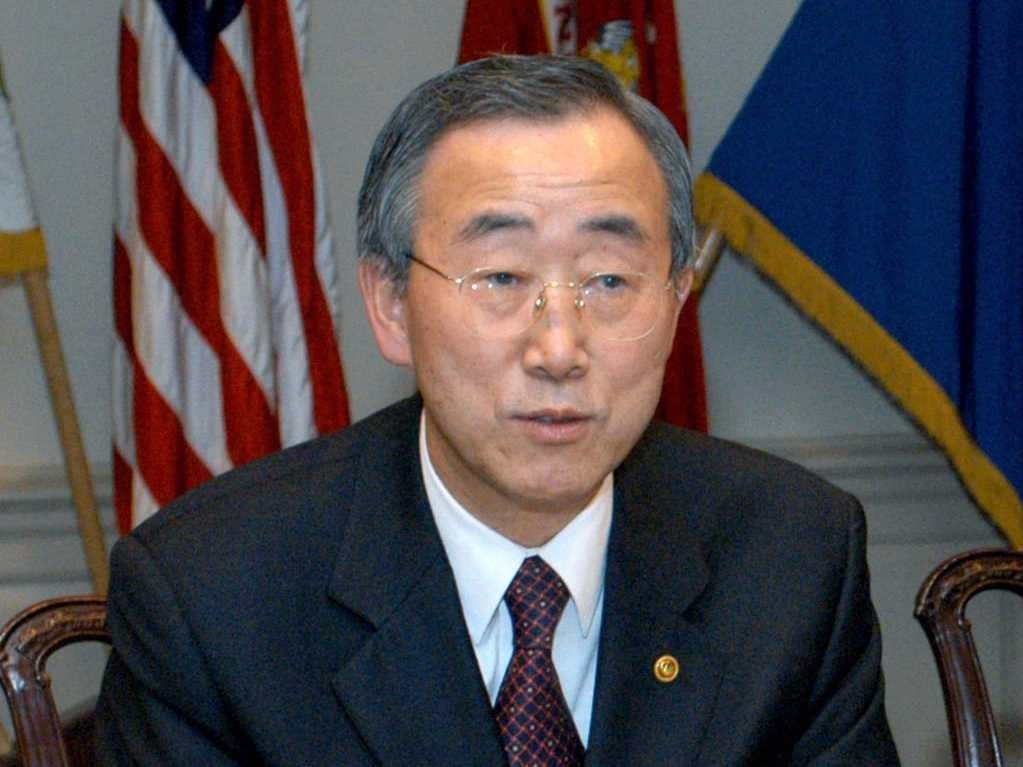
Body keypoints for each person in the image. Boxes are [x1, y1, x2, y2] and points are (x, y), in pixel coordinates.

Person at [96, 55, 900, 765]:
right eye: (501, 277)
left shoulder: (791, 558)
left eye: (609, 280)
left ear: (675, 298)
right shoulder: (212, 595)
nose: (558, 347)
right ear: (389, 303)